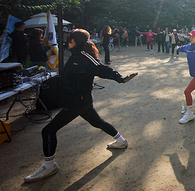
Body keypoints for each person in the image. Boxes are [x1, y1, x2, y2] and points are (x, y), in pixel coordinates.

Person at [24, 29, 137, 183]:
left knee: (48, 131)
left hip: (77, 102)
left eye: (69, 39)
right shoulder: (76, 56)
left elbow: (102, 69)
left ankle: (49, 167)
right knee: (98, 123)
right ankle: (121, 141)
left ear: (75, 41)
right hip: (80, 102)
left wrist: (121, 78)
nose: (67, 41)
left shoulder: (85, 57)